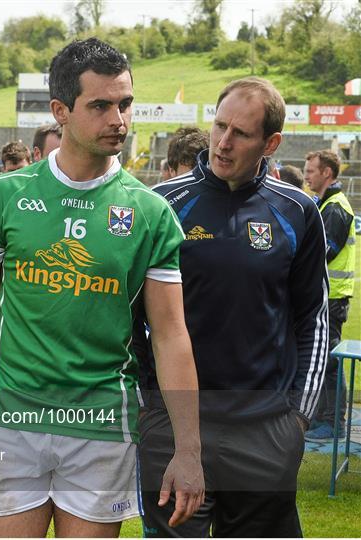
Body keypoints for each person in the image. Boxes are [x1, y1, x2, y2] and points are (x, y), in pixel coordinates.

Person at [0, 38, 204, 538]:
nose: (119, 120)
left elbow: (172, 335)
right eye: (101, 106)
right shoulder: (7, 196)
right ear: (61, 111)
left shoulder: (151, 212)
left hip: (102, 428)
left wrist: (189, 449)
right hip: (12, 422)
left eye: (125, 103)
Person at [135, 76, 329, 537]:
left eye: (240, 133)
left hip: (264, 430)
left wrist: (297, 417)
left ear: (271, 142)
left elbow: (313, 320)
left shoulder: (297, 210)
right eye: (219, 126)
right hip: (174, 427)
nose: (222, 143)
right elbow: (129, 318)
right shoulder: (162, 205)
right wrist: (149, 404)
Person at [303, 150, 356, 442]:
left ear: (327, 173)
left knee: (330, 360)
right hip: (327, 295)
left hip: (333, 298)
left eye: (311, 170)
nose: (307, 175)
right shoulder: (327, 204)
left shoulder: (336, 207)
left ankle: (333, 423)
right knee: (322, 358)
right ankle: (321, 417)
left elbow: (324, 252)